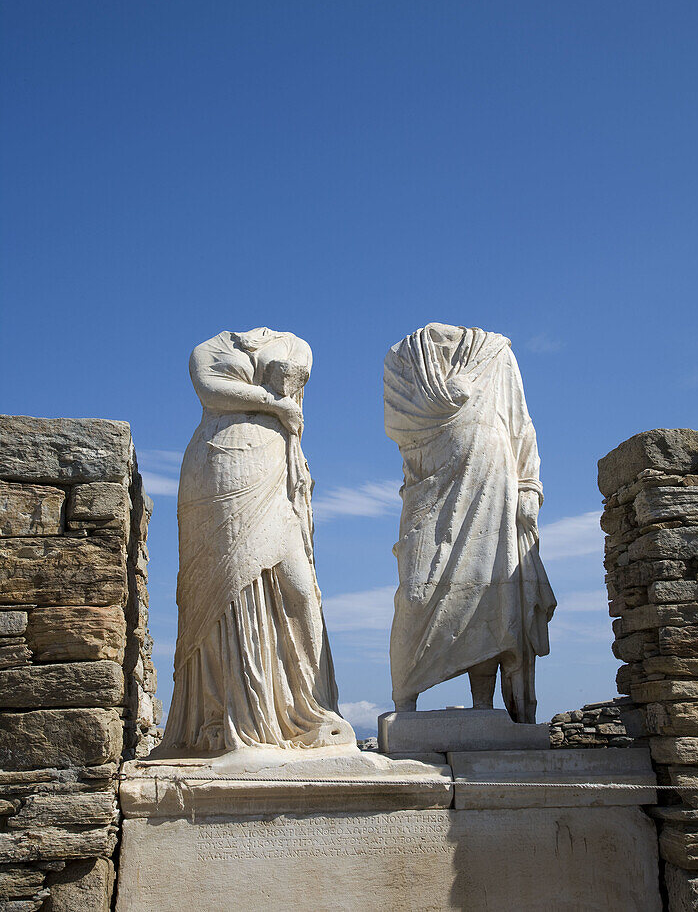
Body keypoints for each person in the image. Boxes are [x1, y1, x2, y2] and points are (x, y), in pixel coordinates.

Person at [160, 328, 354, 755]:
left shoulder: (295, 343)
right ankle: (232, 716)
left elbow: (294, 382)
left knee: (300, 589)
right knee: (229, 585)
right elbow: (210, 390)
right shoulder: (206, 349)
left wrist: (279, 407)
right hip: (217, 463)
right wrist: (272, 403)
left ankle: (306, 707)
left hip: (274, 463)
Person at [384, 323, 556, 723]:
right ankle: (405, 703)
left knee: (487, 594)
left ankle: (484, 705)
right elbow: (395, 423)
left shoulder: (495, 351)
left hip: (493, 478)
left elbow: (520, 422)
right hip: (428, 480)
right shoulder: (403, 355)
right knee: (415, 594)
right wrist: (444, 401)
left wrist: (529, 485)